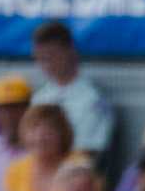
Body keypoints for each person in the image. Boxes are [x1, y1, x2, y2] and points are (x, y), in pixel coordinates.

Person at [29, 20, 114, 163]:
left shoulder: (91, 100)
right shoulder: (39, 98)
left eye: (51, 55)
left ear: (70, 51)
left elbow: (88, 153)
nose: (46, 63)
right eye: (41, 57)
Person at [4, 101, 75, 191]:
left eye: (49, 130)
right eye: (33, 129)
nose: (40, 137)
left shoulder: (77, 170)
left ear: (63, 135)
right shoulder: (16, 169)